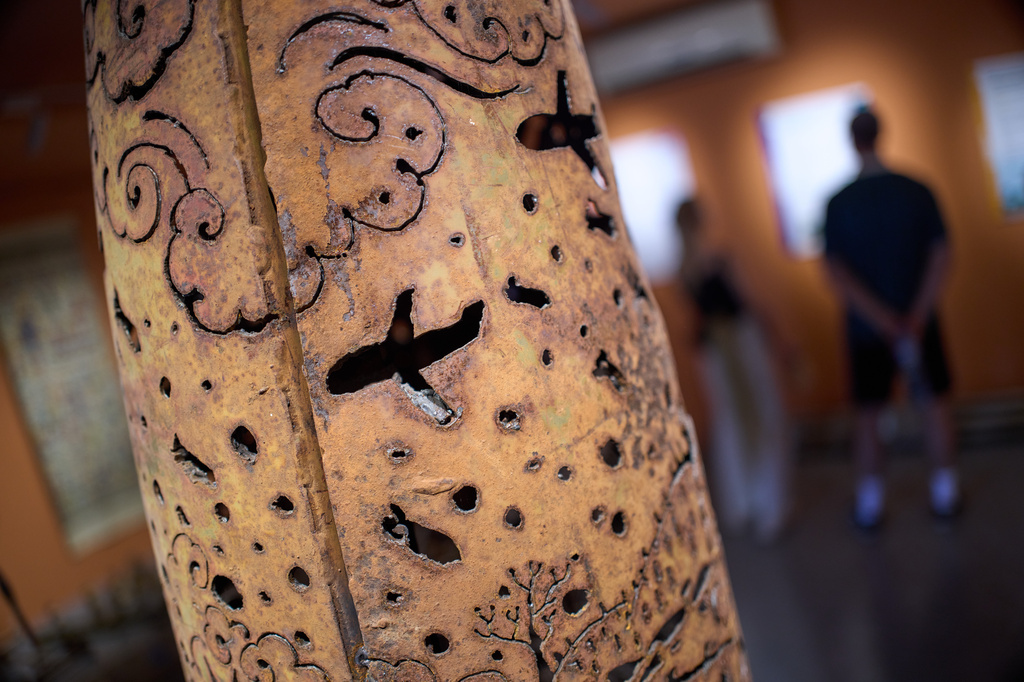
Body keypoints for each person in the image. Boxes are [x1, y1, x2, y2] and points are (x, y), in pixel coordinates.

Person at [823, 109, 960, 531]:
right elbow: (941, 255)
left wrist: (882, 320)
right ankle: (944, 493)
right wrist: (915, 315)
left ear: (852, 140)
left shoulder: (839, 203)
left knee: (870, 414)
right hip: (918, 324)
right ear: (881, 134)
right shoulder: (917, 190)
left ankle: (871, 504)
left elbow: (837, 273)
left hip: (868, 331)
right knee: (933, 406)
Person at [676, 199, 794, 544]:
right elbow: (752, 302)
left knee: (731, 423)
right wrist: (781, 340)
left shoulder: (685, 268)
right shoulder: (719, 260)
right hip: (740, 346)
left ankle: (744, 504)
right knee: (761, 416)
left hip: (714, 353)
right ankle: (770, 505)